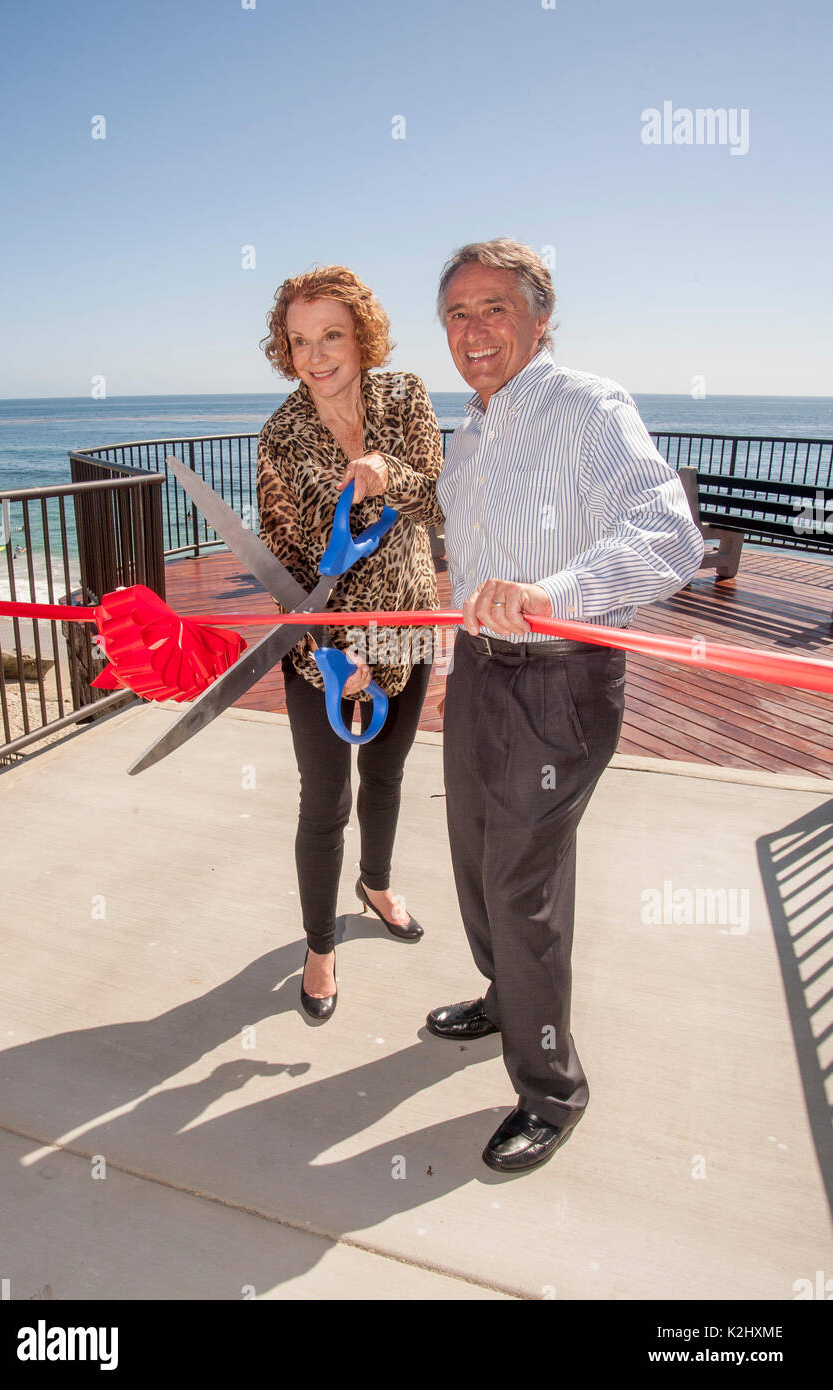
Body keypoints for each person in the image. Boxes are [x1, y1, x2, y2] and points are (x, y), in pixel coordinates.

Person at [426, 239, 705, 1171]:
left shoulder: (590, 405)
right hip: (477, 670)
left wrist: (557, 588)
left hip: (562, 675)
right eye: (457, 313)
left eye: (494, 308)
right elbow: (466, 564)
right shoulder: (465, 436)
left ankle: (550, 1090)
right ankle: (507, 994)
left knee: (521, 881)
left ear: (540, 319)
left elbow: (666, 535)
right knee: (472, 854)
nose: (473, 330)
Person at [257, 265, 443, 1021]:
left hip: (409, 629)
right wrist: (340, 652)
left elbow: (435, 494)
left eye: (331, 334)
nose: (316, 354)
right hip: (326, 651)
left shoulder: (404, 396)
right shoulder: (280, 435)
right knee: (324, 803)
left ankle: (376, 882)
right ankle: (320, 949)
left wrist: (383, 472)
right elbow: (285, 563)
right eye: (300, 341)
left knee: (389, 777)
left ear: (361, 335)